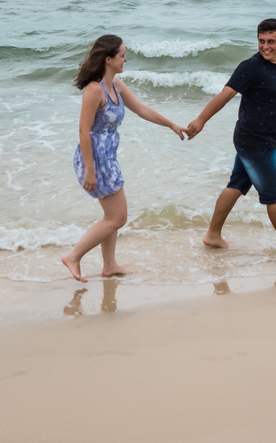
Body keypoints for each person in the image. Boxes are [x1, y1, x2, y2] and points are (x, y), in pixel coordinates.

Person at [186, 19, 276, 255]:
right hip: (255, 140)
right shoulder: (250, 67)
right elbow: (224, 95)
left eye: (271, 41)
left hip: (264, 138)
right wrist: (201, 119)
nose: (265, 46)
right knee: (275, 195)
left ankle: (213, 235)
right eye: (261, 41)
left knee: (237, 184)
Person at [62, 34, 187, 282]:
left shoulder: (116, 85)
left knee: (111, 218)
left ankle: (109, 265)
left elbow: (142, 109)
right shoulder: (94, 90)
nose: (125, 59)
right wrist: (89, 169)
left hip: (108, 158)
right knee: (117, 218)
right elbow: (83, 131)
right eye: (122, 55)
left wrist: (171, 125)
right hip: (95, 160)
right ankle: (74, 256)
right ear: (108, 59)